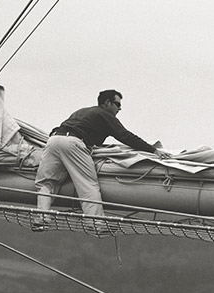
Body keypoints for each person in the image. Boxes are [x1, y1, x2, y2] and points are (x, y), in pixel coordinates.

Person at [35, 89, 172, 217]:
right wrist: (153, 150)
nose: (120, 108)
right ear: (107, 103)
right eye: (117, 104)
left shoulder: (81, 111)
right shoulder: (105, 115)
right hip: (74, 143)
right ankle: (96, 223)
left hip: (53, 140)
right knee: (88, 185)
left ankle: (41, 218)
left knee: (46, 183)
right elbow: (126, 136)